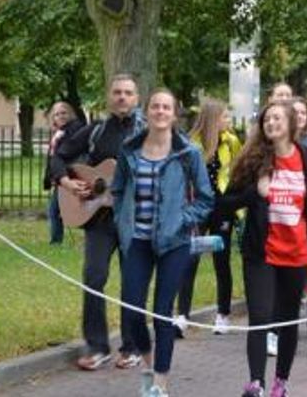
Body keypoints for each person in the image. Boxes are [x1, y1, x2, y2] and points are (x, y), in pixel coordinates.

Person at [220, 102, 307, 397]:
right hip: (261, 253)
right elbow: (224, 205)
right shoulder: (254, 161)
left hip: (296, 253)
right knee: (259, 316)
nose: (271, 123)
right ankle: (256, 382)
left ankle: (281, 382)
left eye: (277, 118)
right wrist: (252, 193)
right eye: (267, 119)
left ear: (291, 123)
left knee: (287, 319)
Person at [110, 89, 214, 397]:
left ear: (174, 113)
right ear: (147, 111)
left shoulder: (187, 152)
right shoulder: (129, 149)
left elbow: (206, 198)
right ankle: (148, 362)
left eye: (166, 107)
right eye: (155, 106)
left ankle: (161, 381)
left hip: (174, 242)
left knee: (162, 311)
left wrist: (182, 219)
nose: (160, 111)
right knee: (131, 309)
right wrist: (122, 221)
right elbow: (117, 192)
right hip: (138, 240)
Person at [49, 74, 146, 371]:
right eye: (117, 92)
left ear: (137, 98)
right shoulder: (95, 131)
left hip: (134, 218)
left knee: (133, 282)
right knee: (93, 279)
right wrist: (66, 182)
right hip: (98, 218)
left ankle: (131, 346)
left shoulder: (149, 132)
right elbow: (59, 156)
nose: (122, 97)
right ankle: (97, 346)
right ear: (109, 96)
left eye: (128, 93)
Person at [176, 98, 243, 335]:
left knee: (221, 260)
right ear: (213, 119)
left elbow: (237, 173)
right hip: (197, 207)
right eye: (225, 116)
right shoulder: (191, 144)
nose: (229, 121)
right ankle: (182, 314)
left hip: (222, 207)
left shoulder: (232, 142)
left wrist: (235, 206)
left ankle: (223, 314)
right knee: (189, 258)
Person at [44, 101, 85, 245]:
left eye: (63, 113)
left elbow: (66, 154)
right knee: (57, 210)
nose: (60, 116)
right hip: (61, 176)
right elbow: (52, 157)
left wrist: (61, 176)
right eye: (56, 114)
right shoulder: (59, 132)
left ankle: (56, 241)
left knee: (55, 210)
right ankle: (56, 240)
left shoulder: (75, 129)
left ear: (70, 114)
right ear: (53, 118)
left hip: (70, 176)